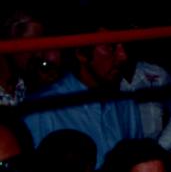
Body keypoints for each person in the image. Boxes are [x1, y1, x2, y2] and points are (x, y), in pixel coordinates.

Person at [22, 37, 141, 168]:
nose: (123, 56)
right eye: (111, 47)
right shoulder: (42, 108)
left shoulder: (126, 103)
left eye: (124, 47)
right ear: (81, 54)